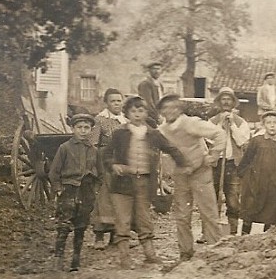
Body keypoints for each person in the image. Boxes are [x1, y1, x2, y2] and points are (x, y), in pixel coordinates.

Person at [105, 96, 186, 269]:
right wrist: (114, 165)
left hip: (144, 183)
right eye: (133, 111)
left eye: (140, 110)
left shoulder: (153, 134)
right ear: (126, 113)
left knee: (144, 218)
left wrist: (184, 163)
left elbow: (171, 148)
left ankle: (149, 254)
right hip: (122, 184)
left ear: (146, 113)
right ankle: (124, 257)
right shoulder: (119, 134)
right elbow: (105, 155)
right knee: (123, 219)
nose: (137, 114)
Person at [157, 93, 226, 261]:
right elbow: (163, 154)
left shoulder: (191, 123)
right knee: (181, 215)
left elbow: (220, 134)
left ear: (180, 108)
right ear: (161, 112)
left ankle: (214, 251)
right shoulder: (162, 130)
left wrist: (214, 155)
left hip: (200, 172)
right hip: (181, 176)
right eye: (165, 108)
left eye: (173, 106)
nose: (170, 111)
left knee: (208, 212)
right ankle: (185, 252)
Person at [48, 113, 99, 271]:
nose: (83, 131)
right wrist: (58, 188)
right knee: (64, 224)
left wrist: (95, 189)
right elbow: (53, 172)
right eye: (79, 127)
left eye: (86, 128)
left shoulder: (93, 150)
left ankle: (76, 259)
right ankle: (58, 258)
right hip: (68, 189)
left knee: (81, 225)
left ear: (90, 130)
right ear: (73, 128)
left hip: (86, 190)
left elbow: (101, 174)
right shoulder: (64, 148)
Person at [238, 110, 276, 233]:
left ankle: (267, 241)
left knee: (271, 216)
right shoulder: (256, 141)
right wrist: (247, 179)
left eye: (275, 123)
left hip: (274, 186)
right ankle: (244, 237)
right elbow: (246, 161)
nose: (272, 125)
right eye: (268, 122)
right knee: (249, 211)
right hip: (255, 185)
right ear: (264, 125)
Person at [209, 87, 251, 235]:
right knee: (212, 197)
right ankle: (209, 231)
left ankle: (232, 231)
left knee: (233, 198)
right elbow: (209, 139)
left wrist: (232, 125)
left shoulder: (241, 122)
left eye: (229, 99)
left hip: (233, 164)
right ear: (219, 102)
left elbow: (242, 142)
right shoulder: (212, 121)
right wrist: (220, 125)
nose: (226, 102)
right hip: (216, 164)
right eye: (223, 99)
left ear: (233, 102)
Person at [89, 88, 127, 249]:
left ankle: (115, 236)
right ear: (107, 103)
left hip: (122, 163)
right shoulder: (100, 120)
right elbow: (92, 144)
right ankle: (98, 237)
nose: (116, 104)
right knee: (104, 198)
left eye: (119, 100)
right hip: (105, 161)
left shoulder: (125, 121)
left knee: (120, 198)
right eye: (113, 101)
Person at [137, 62, 164, 127]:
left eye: (158, 69)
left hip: (159, 116)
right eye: (154, 69)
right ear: (149, 71)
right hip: (149, 117)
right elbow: (148, 103)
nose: (157, 71)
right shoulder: (145, 84)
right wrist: (157, 116)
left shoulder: (160, 85)